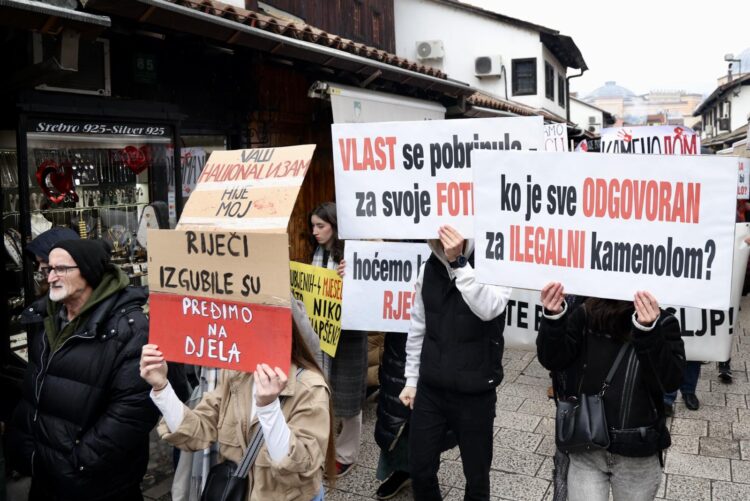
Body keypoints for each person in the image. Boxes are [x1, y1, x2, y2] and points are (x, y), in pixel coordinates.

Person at [7, 239, 159, 501]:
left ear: (89, 271)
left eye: (61, 269)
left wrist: (77, 463)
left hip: (97, 486)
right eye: (48, 269)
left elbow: (133, 411)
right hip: (46, 477)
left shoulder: (129, 328)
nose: (50, 277)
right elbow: (34, 393)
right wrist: (25, 448)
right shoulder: (49, 320)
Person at [139, 316, 335, 500]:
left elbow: (301, 470)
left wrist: (269, 407)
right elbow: (196, 431)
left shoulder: (309, 387)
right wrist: (161, 386)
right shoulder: (236, 376)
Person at [537, 282, 685, 501]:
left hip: (637, 456)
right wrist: (553, 317)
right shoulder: (585, 314)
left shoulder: (663, 323)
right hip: (586, 446)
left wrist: (648, 332)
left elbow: (670, 382)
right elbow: (553, 359)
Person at [400, 225, 511, 501]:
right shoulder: (427, 270)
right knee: (420, 469)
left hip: (475, 391)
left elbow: (489, 309)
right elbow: (418, 327)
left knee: (476, 478)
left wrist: (459, 263)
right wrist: (411, 379)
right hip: (431, 387)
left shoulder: (494, 261)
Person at [309, 202, 368, 477]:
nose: (315, 231)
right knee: (324, 392)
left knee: (348, 395)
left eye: (320, 226)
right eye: (313, 226)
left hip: (349, 335)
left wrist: (353, 276)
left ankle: (346, 454)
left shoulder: (354, 254)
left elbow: (370, 288)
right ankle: (327, 446)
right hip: (322, 334)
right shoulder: (316, 252)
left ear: (334, 225)